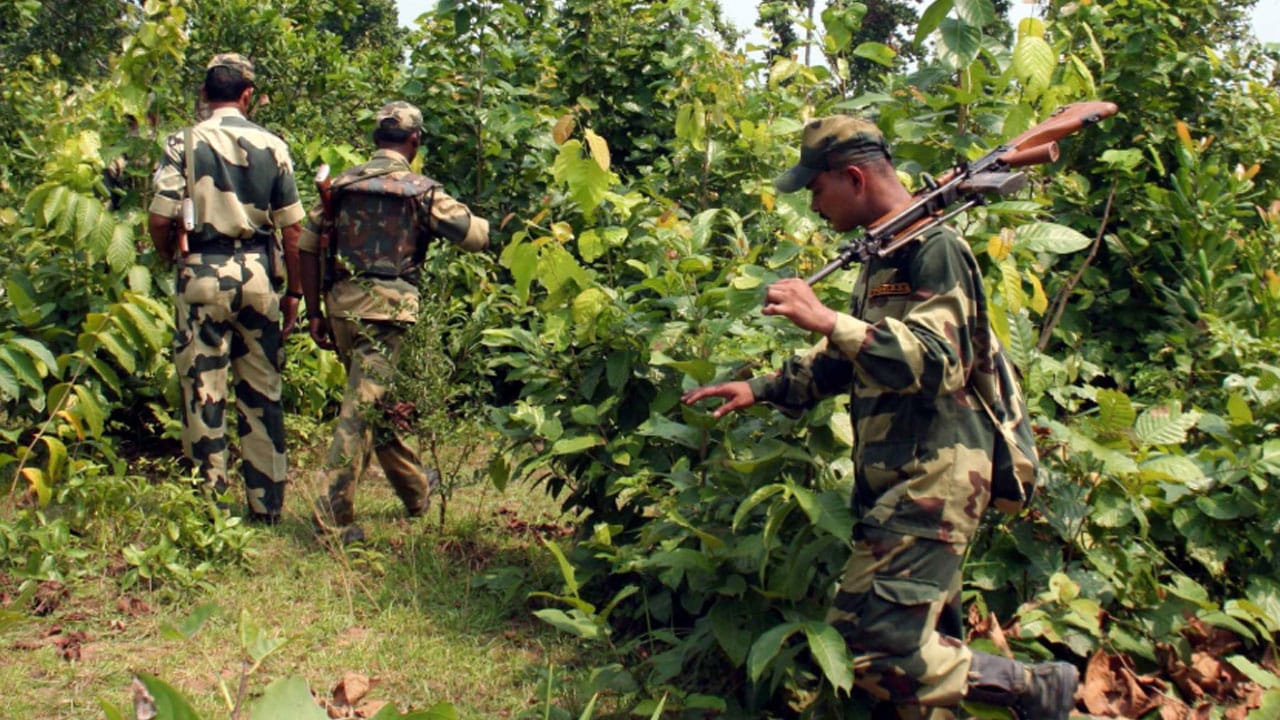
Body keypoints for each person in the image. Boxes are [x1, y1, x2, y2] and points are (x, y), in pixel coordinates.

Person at [681, 117, 1079, 719]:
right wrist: (761, 388)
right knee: (919, 649)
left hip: (936, 481)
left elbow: (940, 361)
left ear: (855, 177)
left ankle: (1032, 688)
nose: (813, 206)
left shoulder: (936, 249)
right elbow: (856, 355)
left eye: (816, 190)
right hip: (901, 477)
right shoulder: (888, 251)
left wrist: (825, 319)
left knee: (869, 645)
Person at [301, 101, 489, 544]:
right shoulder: (420, 189)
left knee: (374, 404)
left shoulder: (342, 185)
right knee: (362, 409)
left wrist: (314, 311)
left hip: (342, 306)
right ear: (415, 141)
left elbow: (307, 247)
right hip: (388, 313)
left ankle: (417, 490)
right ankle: (331, 517)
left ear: (375, 139)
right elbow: (476, 237)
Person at [148, 53, 305, 525]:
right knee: (263, 390)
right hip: (258, 273)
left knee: (203, 390)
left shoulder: (184, 141)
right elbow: (294, 231)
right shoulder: (273, 146)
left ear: (204, 94)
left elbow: (160, 217)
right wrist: (295, 292)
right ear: (246, 95)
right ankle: (266, 505)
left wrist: (172, 257)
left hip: (201, 270)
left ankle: (210, 507)